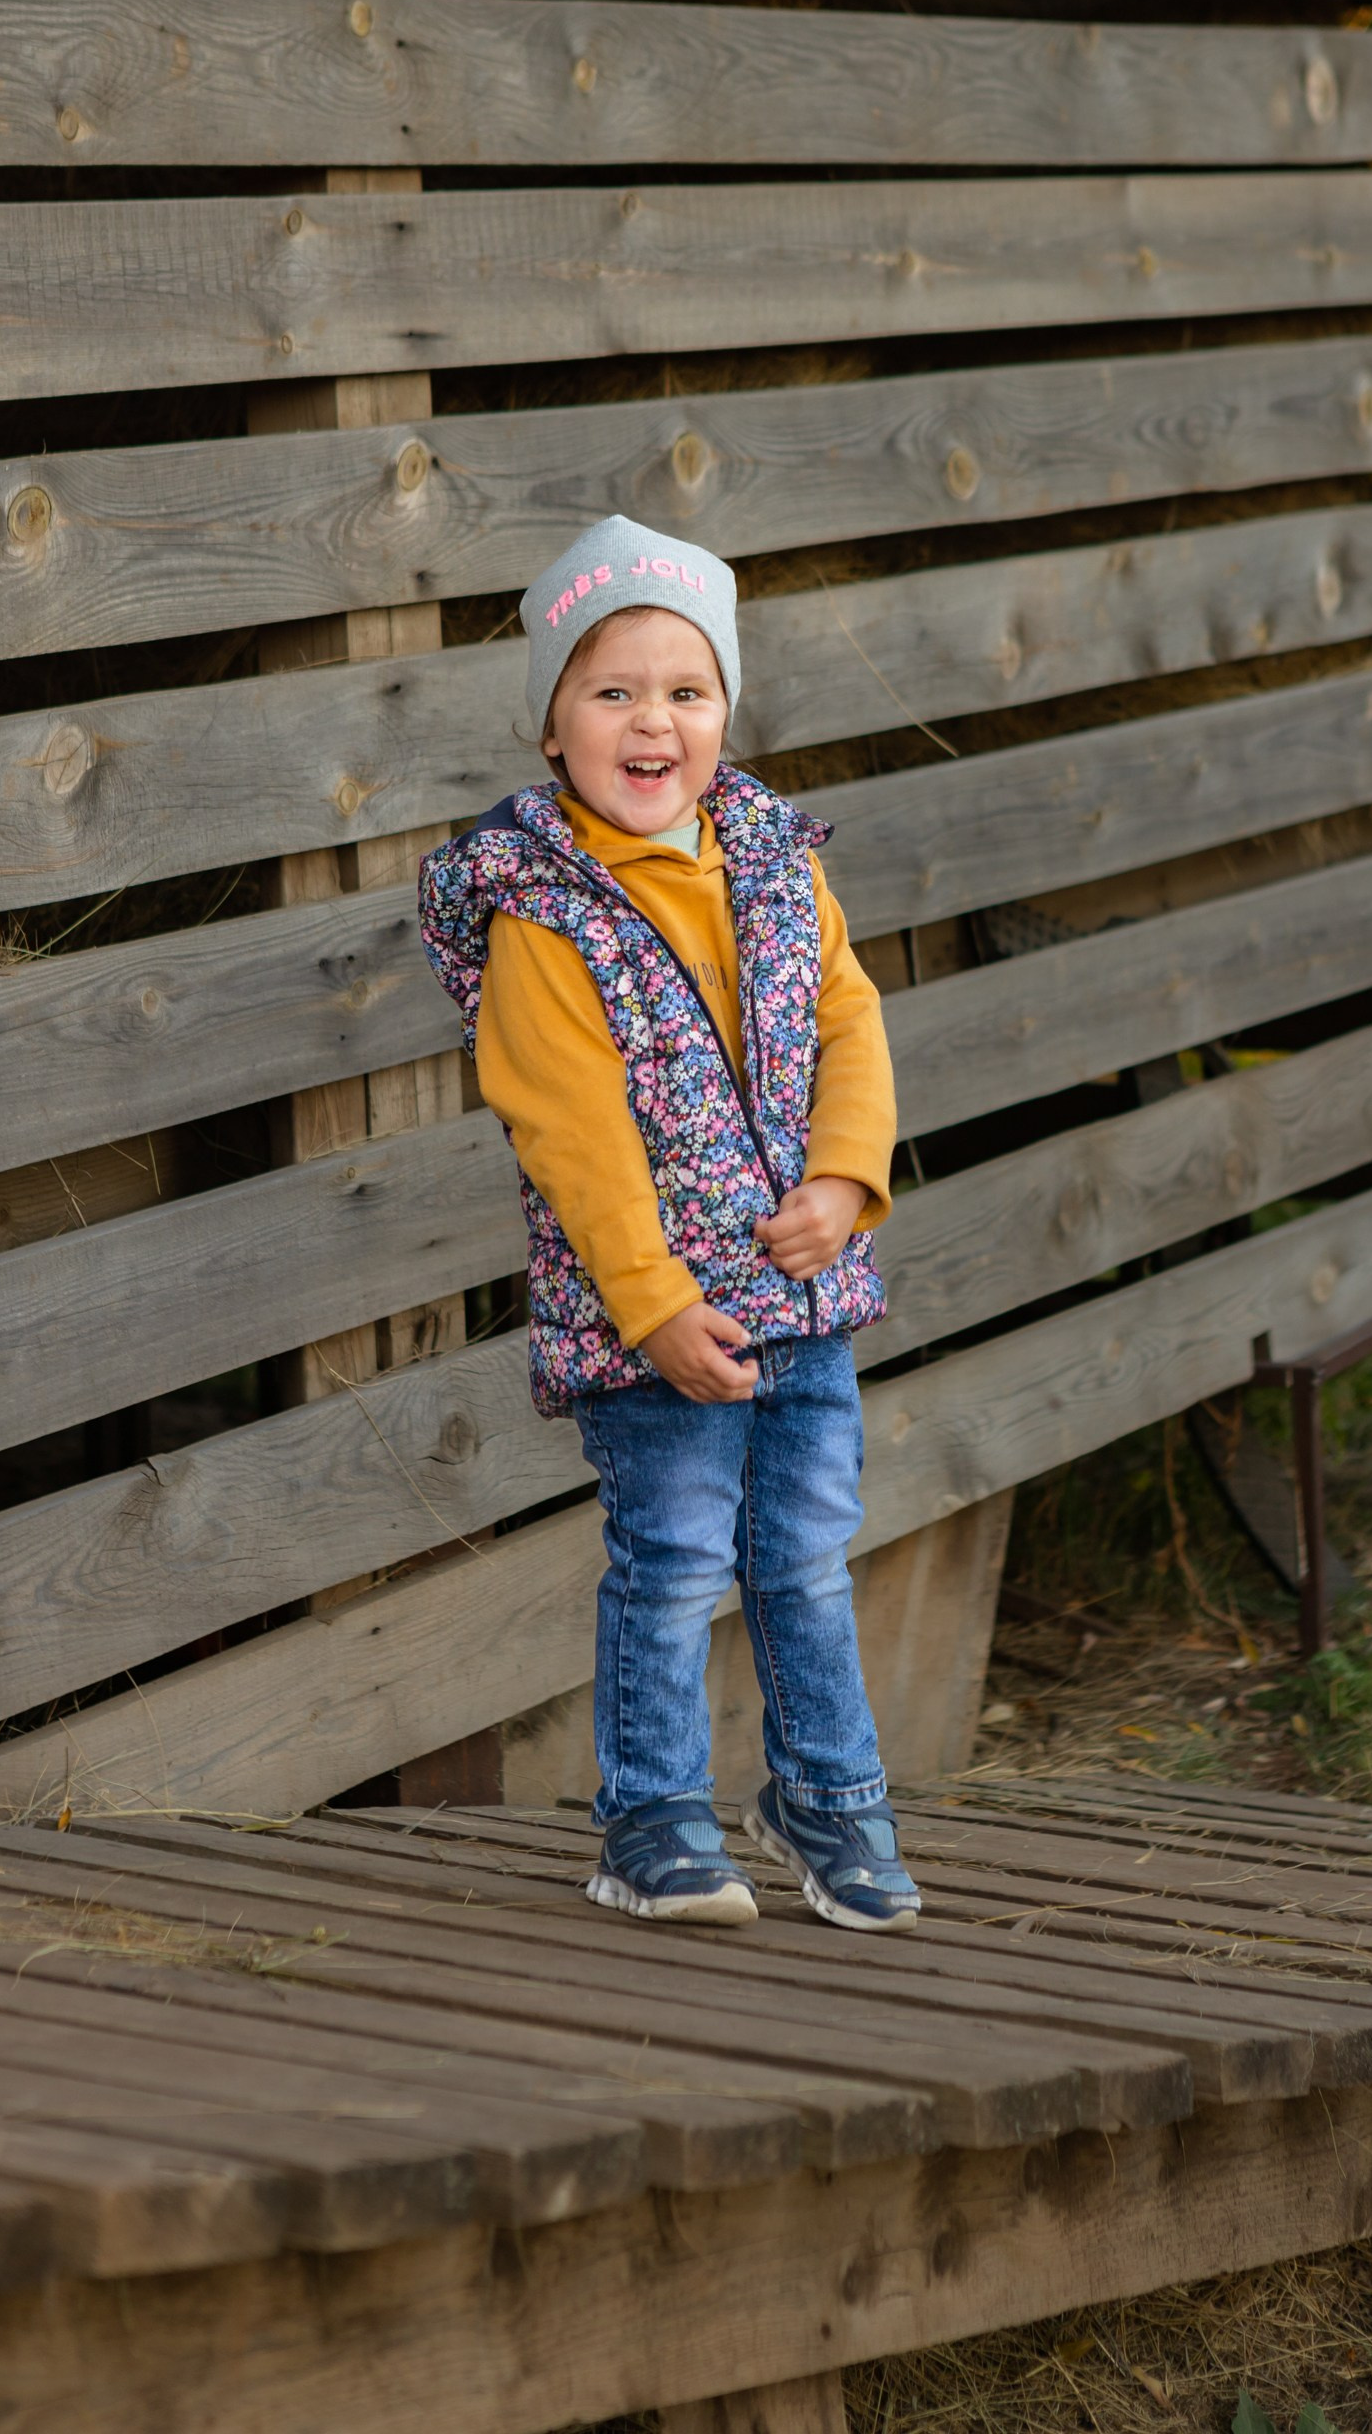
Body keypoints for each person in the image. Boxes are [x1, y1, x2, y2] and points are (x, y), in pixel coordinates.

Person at [419, 515, 921, 1933]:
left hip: (803, 1296)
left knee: (809, 1553)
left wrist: (845, 1176)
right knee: (676, 1557)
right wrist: (649, 1306)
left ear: (727, 710)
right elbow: (567, 1130)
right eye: (613, 691)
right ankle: (649, 1822)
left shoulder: (771, 857)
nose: (655, 720)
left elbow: (848, 1017)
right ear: (552, 727)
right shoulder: (542, 914)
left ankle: (830, 1802)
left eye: (687, 690)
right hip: (654, 1324)